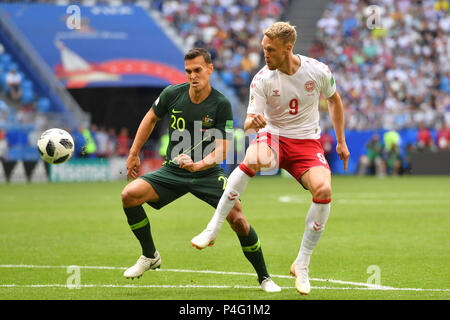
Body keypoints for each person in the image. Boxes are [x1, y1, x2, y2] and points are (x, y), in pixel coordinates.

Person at [191, 22, 350, 295]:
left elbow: (334, 100)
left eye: (271, 50)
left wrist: (341, 141)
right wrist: (254, 121)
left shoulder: (318, 71)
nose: (265, 55)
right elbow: (248, 124)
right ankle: (213, 228)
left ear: (288, 48)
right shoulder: (262, 78)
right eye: (263, 49)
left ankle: (302, 264)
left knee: (324, 190)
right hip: (273, 136)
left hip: (306, 142)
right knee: (253, 158)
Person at [120, 47, 280, 292]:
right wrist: (133, 153)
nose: (192, 76)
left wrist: (199, 165)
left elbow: (223, 150)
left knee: (238, 219)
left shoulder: (221, 104)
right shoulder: (172, 94)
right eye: (188, 71)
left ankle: (265, 278)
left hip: (208, 173)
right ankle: (150, 255)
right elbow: (150, 118)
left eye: (197, 70)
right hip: (173, 170)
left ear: (210, 69)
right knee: (129, 196)